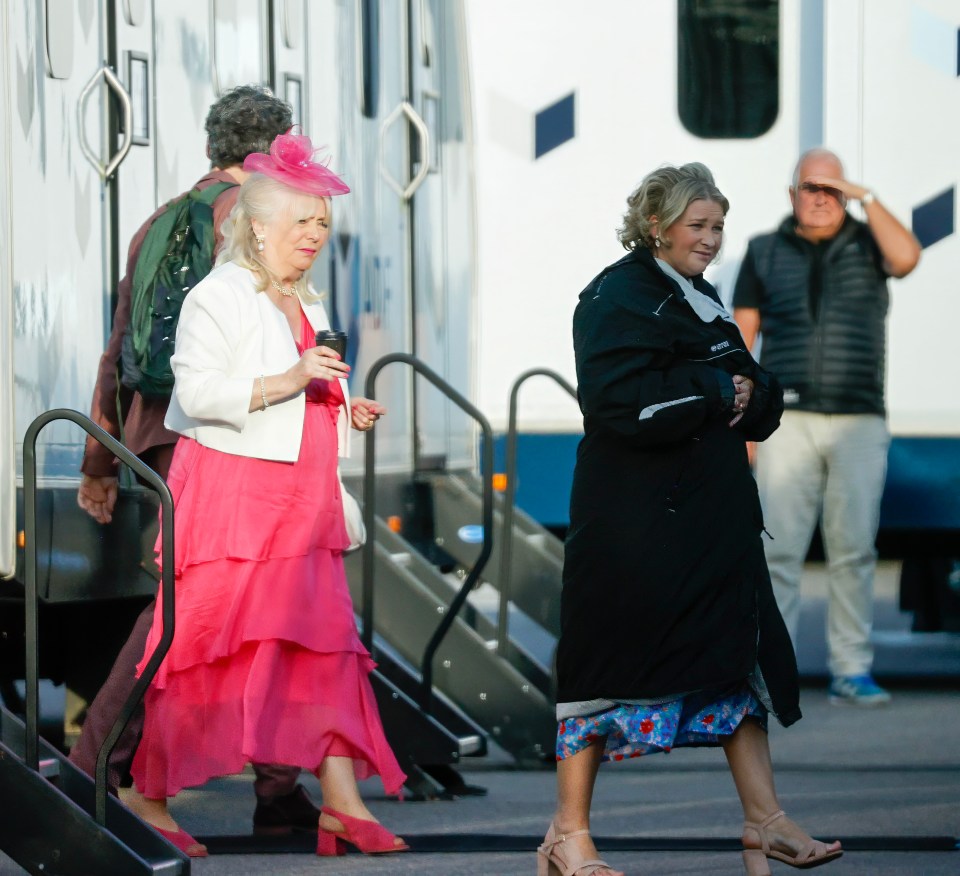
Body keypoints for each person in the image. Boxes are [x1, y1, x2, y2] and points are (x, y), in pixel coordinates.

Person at [541, 163, 843, 876]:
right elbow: (621, 404)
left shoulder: (699, 296)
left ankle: (767, 820)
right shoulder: (616, 297)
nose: (711, 240)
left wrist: (749, 392)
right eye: (698, 226)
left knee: (737, 671)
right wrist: (717, 389)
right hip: (634, 529)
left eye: (717, 227)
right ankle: (568, 834)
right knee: (599, 676)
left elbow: (756, 389)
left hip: (710, 525)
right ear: (656, 224)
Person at [124, 132, 405, 858]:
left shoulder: (301, 296)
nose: (315, 236)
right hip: (236, 497)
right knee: (202, 650)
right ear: (257, 226)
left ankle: (341, 802)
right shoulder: (218, 295)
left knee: (325, 649)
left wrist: (345, 403)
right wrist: (295, 381)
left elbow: (302, 379)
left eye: (322, 224)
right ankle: (147, 795)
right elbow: (198, 392)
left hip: (303, 500)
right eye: (303, 223)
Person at [71, 86, 324, 837]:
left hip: (159, 437)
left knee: (237, 613)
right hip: (235, 440)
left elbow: (120, 345)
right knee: (197, 618)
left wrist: (101, 460)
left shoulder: (156, 223)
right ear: (271, 151)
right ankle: (96, 768)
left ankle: (276, 791)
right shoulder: (252, 222)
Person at [733, 149, 921, 707]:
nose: (820, 197)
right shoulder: (763, 250)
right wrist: (741, 424)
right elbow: (744, 334)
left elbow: (908, 258)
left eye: (831, 188)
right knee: (780, 551)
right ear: (791, 195)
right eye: (809, 187)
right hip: (785, 420)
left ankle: (851, 670)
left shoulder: (870, 241)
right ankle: (771, 671)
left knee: (854, 549)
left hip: (860, 418)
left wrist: (865, 195)